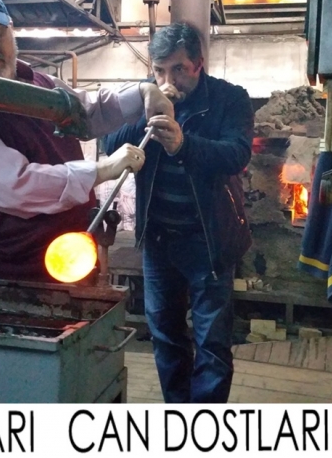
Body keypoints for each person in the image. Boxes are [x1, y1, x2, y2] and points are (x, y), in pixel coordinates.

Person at [0, 0, 173, 282]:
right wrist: (102, 170)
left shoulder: (41, 83)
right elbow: (18, 186)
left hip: (72, 261)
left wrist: (143, 92)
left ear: (11, 29)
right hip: (9, 279)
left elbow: (87, 112)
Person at [104, 23, 254, 403]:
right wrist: (146, 113)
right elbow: (109, 142)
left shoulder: (229, 99)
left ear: (198, 63)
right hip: (159, 239)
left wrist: (184, 144)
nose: (167, 80)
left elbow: (237, 155)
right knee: (166, 335)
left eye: (178, 69)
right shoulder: (144, 94)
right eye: (159, 70)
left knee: (212, 343)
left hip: (208, 239)